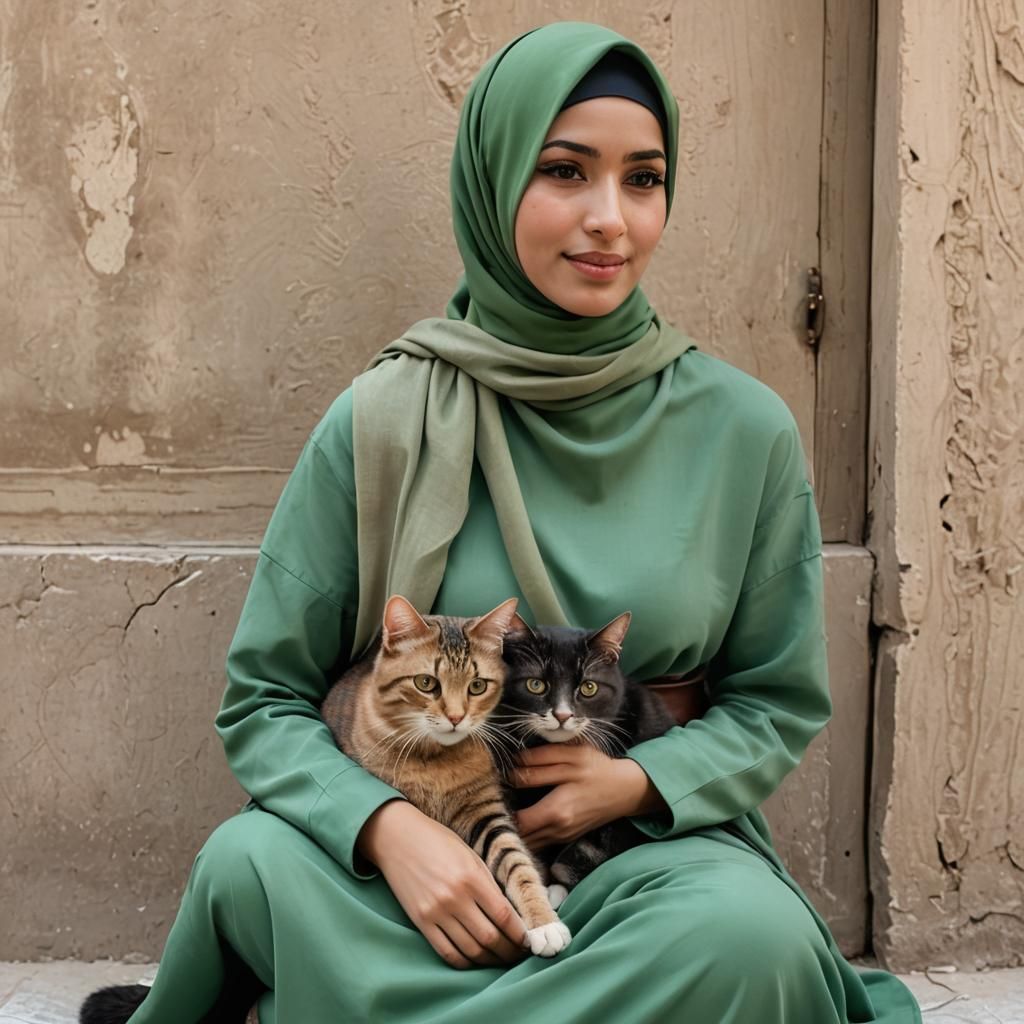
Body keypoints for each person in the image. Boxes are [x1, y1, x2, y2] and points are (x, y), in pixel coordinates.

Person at [117, 21, 921, 1024]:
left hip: (631, 859)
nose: (609, 219)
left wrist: (634, 781)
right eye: (564, 171)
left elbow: (775, 701)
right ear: (493, 184)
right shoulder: (384, 418)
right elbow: (263, 701)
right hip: (411, 859)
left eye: (643, 179)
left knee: (743, 939)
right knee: (249, 865)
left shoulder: (741, 429)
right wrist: (386, 831)